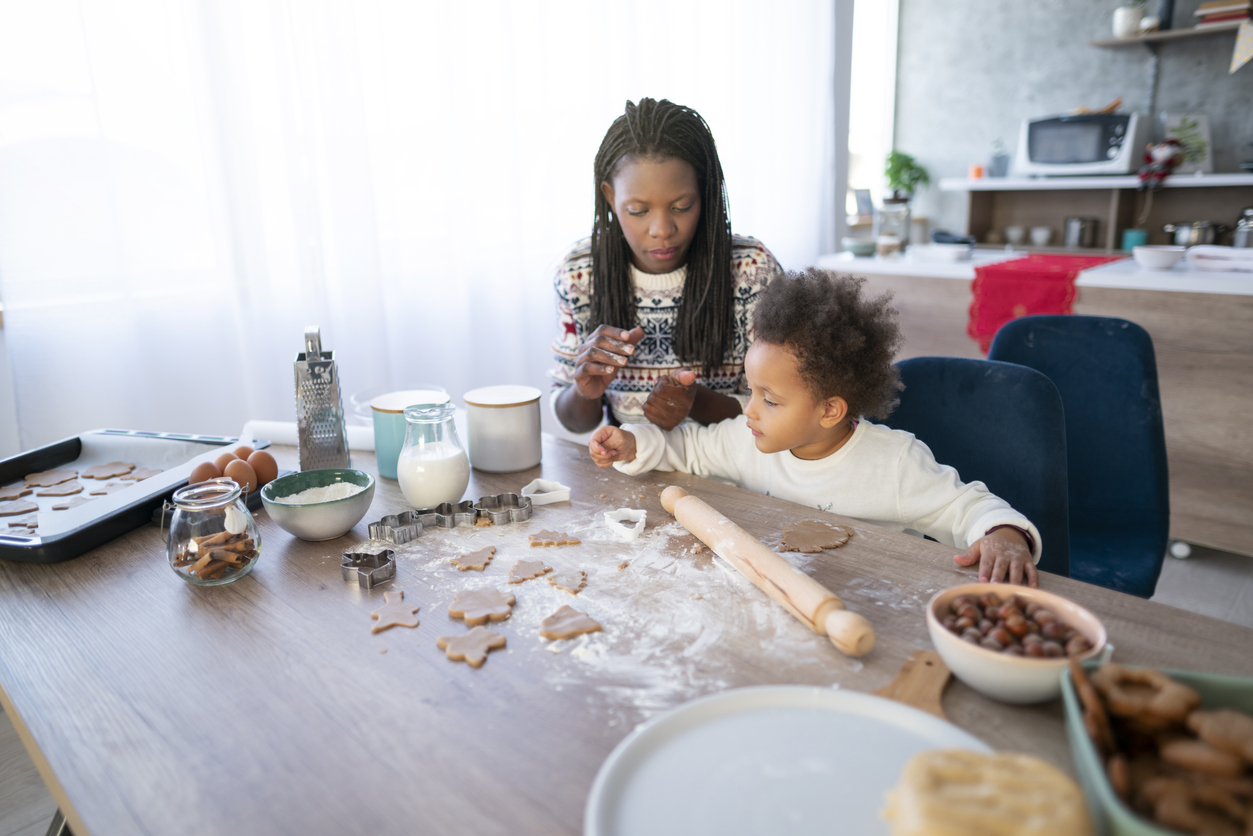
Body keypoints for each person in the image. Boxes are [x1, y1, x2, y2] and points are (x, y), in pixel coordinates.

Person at [588, 268, 1042, 587]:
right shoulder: (746, 437)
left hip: (870, 604)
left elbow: (966, 508)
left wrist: (1003, 534)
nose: (750, 409)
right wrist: (631, 443)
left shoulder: (894, 463)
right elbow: (682, 448)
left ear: (829, 411)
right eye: (752, 390)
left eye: (771, 399)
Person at [549, 98, 781, 437]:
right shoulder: (579, 275)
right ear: (610, 198)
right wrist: (585, 390)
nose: (662, 229)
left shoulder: (751, 270)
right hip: (629, 471)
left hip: (733, 475)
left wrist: (695, 401)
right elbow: (574, 420)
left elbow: (782, 408)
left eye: (681, 206)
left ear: (705, 193)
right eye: (639, 210)